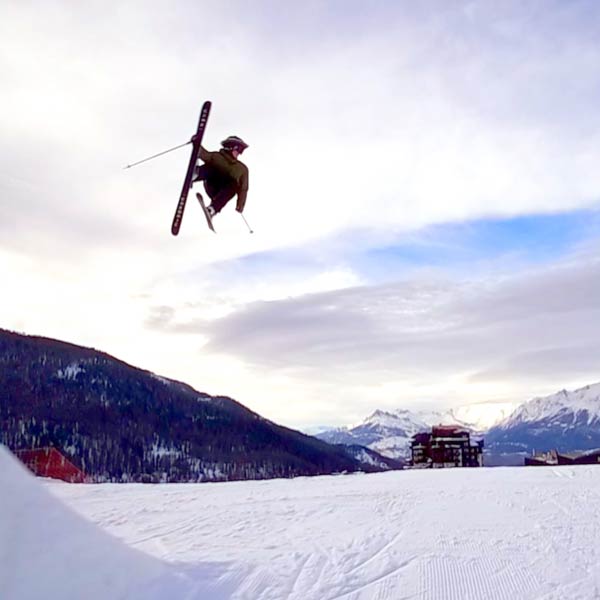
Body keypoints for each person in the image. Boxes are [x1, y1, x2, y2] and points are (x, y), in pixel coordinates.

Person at [192, 135, 249, 217]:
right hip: (211, 184)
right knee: (214, 167)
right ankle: (195, 175)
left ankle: (212, 209)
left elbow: (243, 188)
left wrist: (240, 205)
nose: (239, 153)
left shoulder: (242, 169)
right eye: (238, 150)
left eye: (241, 151)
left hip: (222, 192)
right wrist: (196, 143)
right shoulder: (216, 156)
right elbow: (204, 154)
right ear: (230, 147)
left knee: (234, 184)